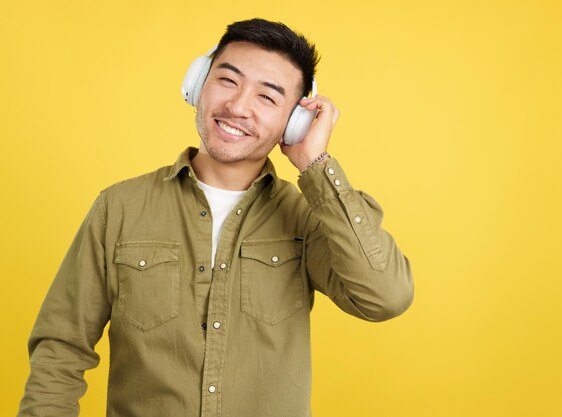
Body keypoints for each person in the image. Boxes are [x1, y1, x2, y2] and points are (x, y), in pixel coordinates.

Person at [17, 18, 414, 417]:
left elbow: (385, 297)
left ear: (293, 124)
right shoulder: (117, 208)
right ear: (198, 85)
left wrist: (316, 163)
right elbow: (61, 350)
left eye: (268, 97)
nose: (238, 106)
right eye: (228, 81)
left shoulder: (308, 221)